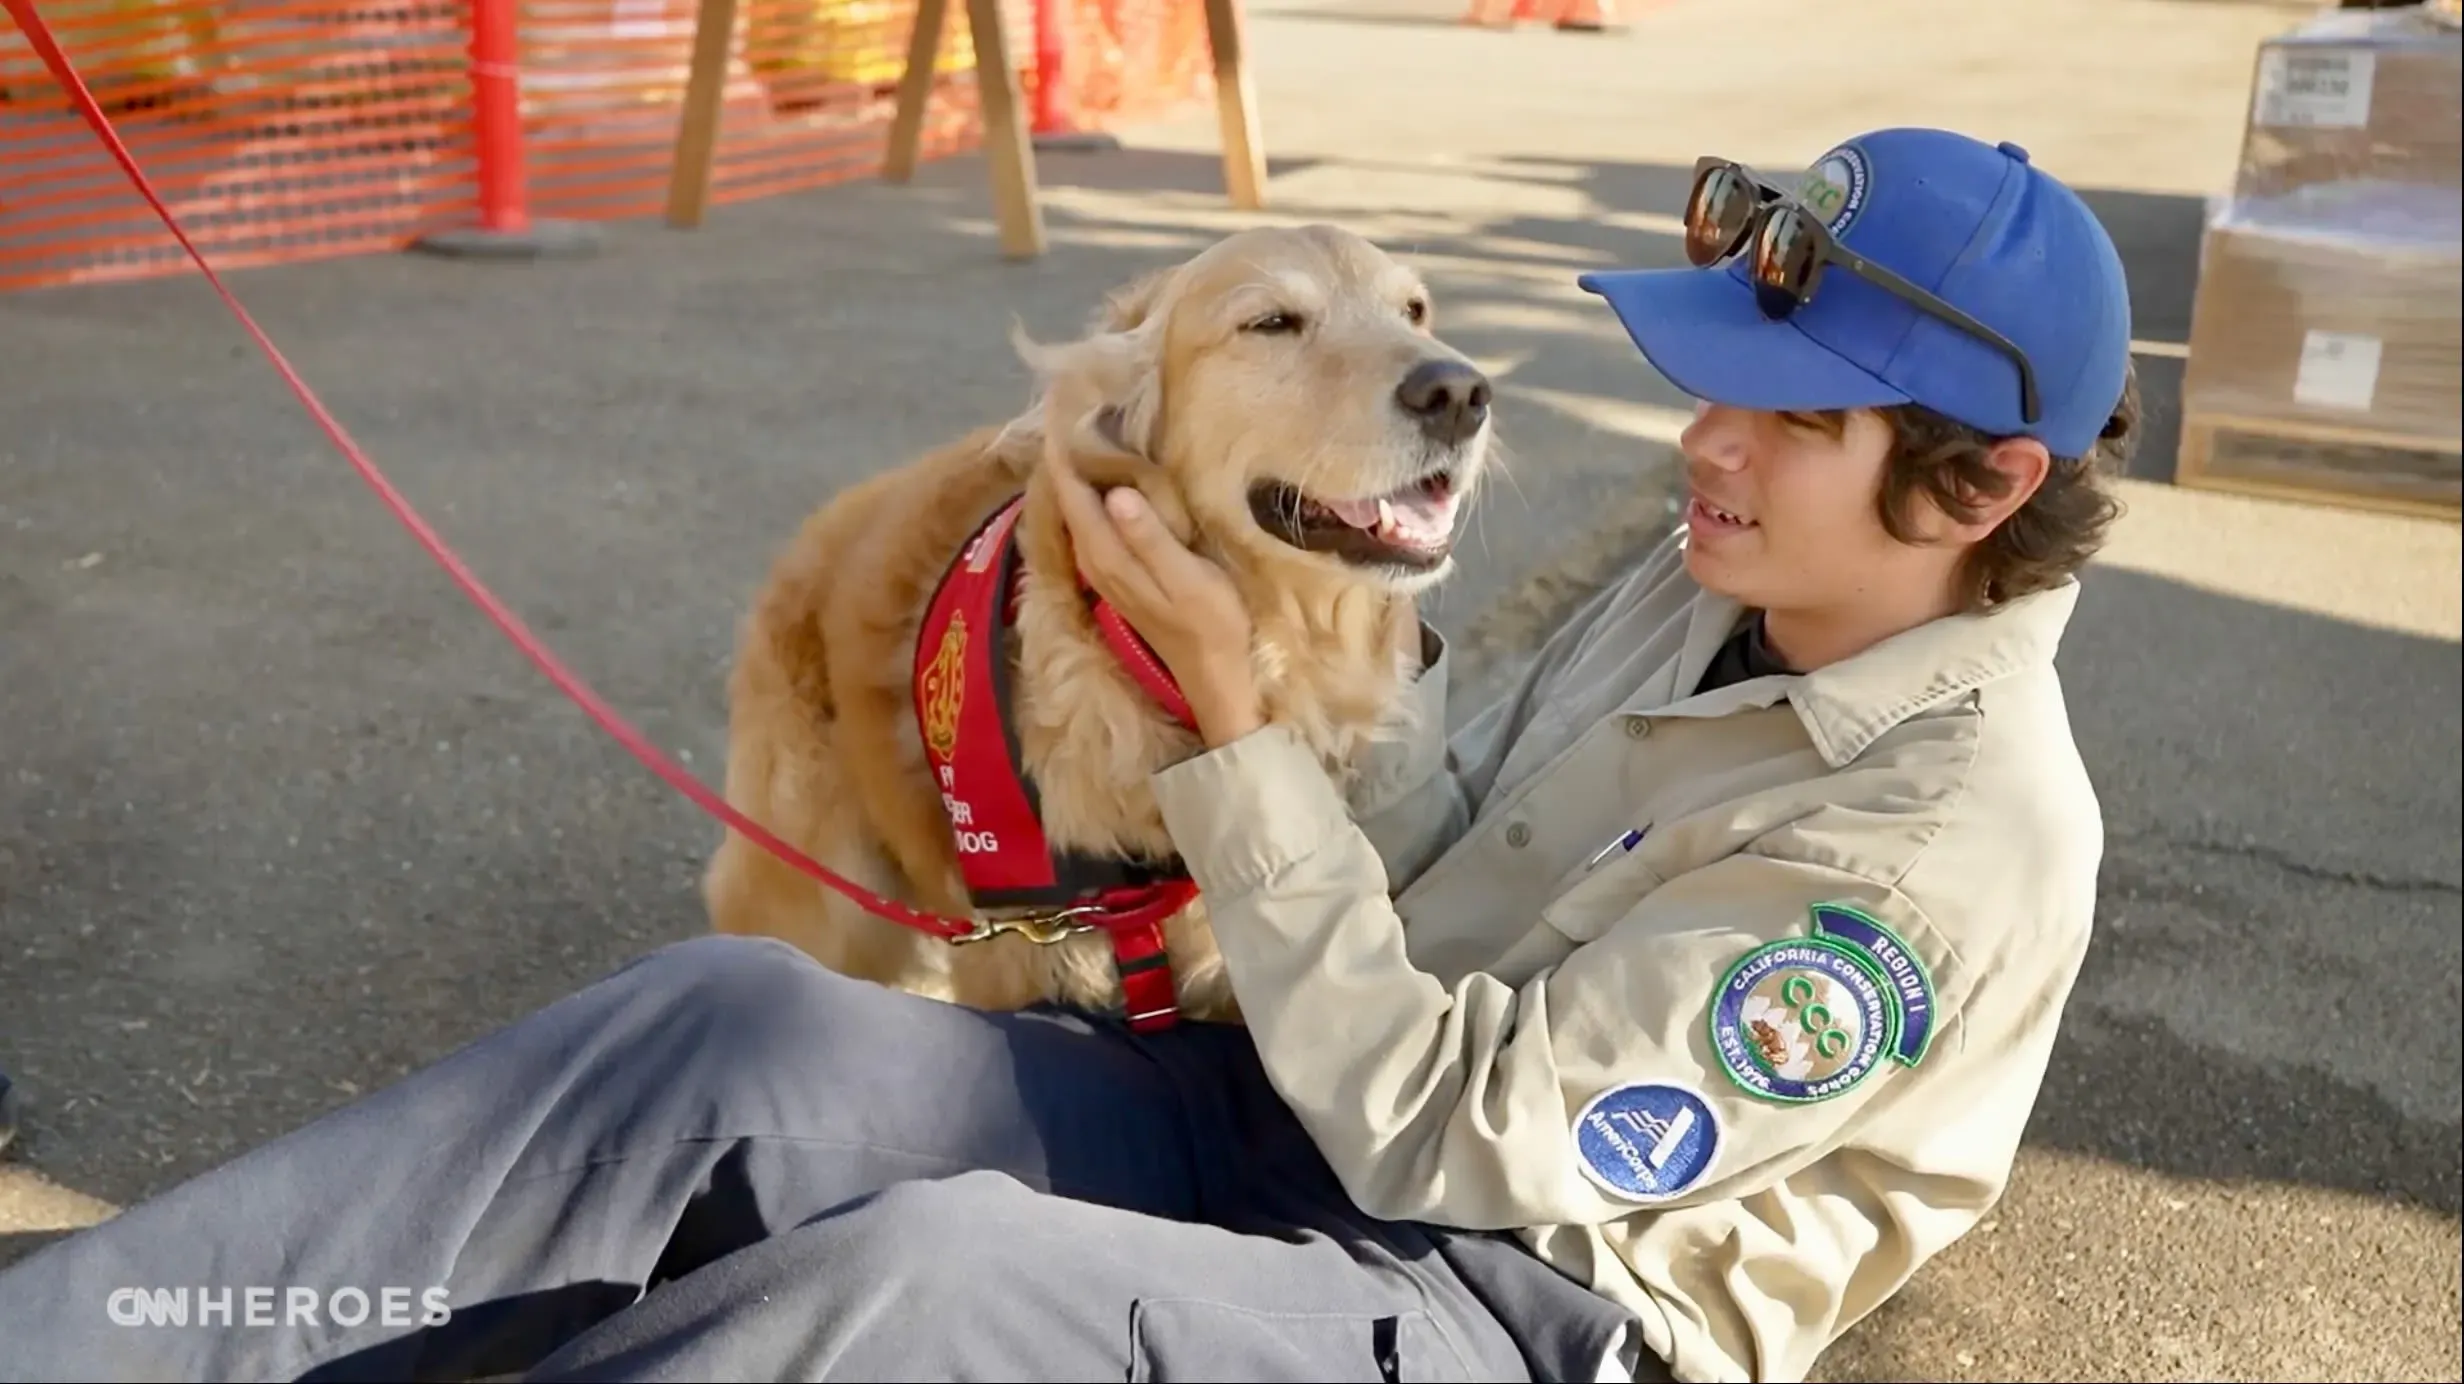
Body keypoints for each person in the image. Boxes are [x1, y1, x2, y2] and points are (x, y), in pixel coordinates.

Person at [0, 124, 2138, 1384]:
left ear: (1974, 487)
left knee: (900, 1290)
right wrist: (1200, 669)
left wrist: (1226, 707)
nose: (1704, 437)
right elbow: (1424, 837)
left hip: (1507, 1296)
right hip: (1296, 1100)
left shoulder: (1936, 842)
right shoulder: (1725, 580)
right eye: (1713, 389)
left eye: (1782, 418)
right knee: (730, 1021)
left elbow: (1468, 1143)